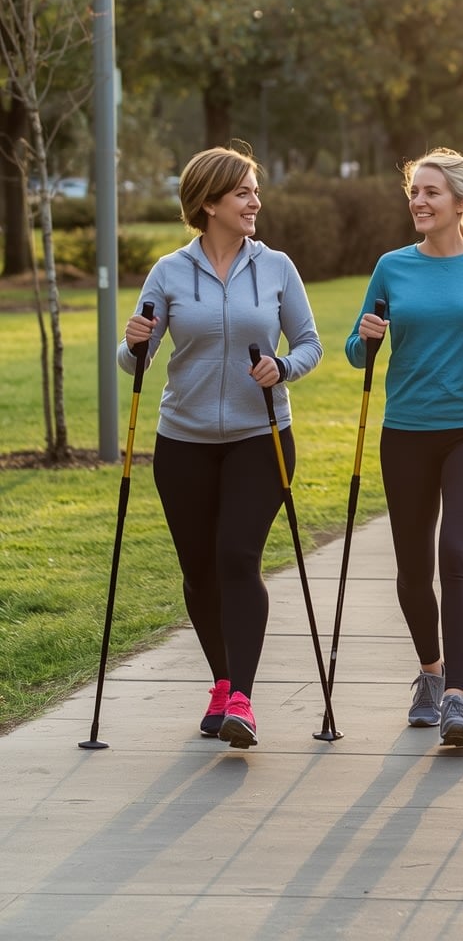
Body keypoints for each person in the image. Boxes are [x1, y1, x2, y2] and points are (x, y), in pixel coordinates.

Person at [118, 144, 323, 750]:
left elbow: (310, 343)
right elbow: (137, 363)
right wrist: (133, 343)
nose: (255, 202)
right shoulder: (169, 272)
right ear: (209, 203)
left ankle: (242, 700)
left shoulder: (277, 267)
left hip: (262, 438)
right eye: (243, 193)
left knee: (237, 556)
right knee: (199, 570)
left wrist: (282, 368)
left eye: (255, 191)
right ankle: (221, 679)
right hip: (182, 442)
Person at [346, 147, 463, 748]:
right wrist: (367, 337)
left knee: (456, 552)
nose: (419, 202)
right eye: (415, 192)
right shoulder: (391, 267)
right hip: (406, 430)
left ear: (462, 202)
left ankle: (456, 695)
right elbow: (357, 349)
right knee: (411, 567)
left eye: (431, 192)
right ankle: (429, 671)